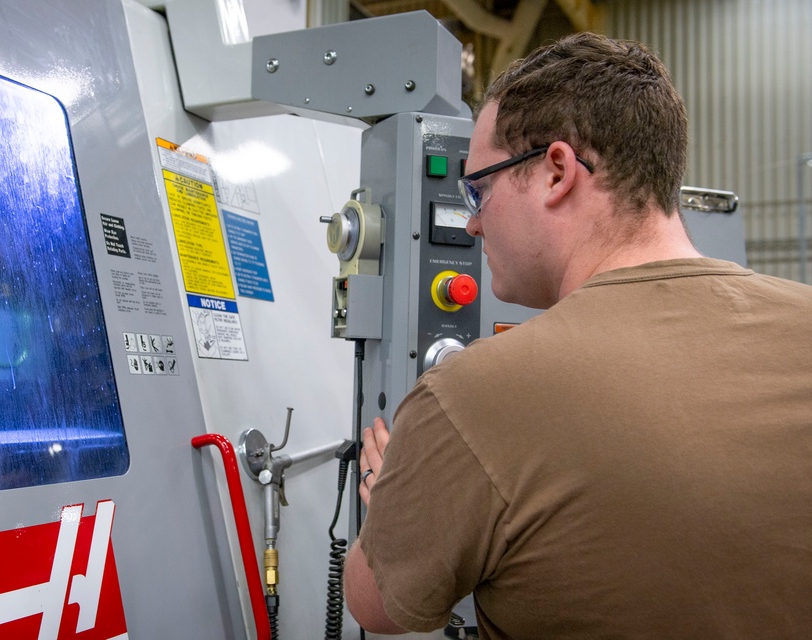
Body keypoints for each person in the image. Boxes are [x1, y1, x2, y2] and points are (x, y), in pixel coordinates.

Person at [344, 32, 812, 638]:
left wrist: (393, 509)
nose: (476, 224)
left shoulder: (474, 393)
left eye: (478, 190)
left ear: (557, 172)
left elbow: (376, 607)